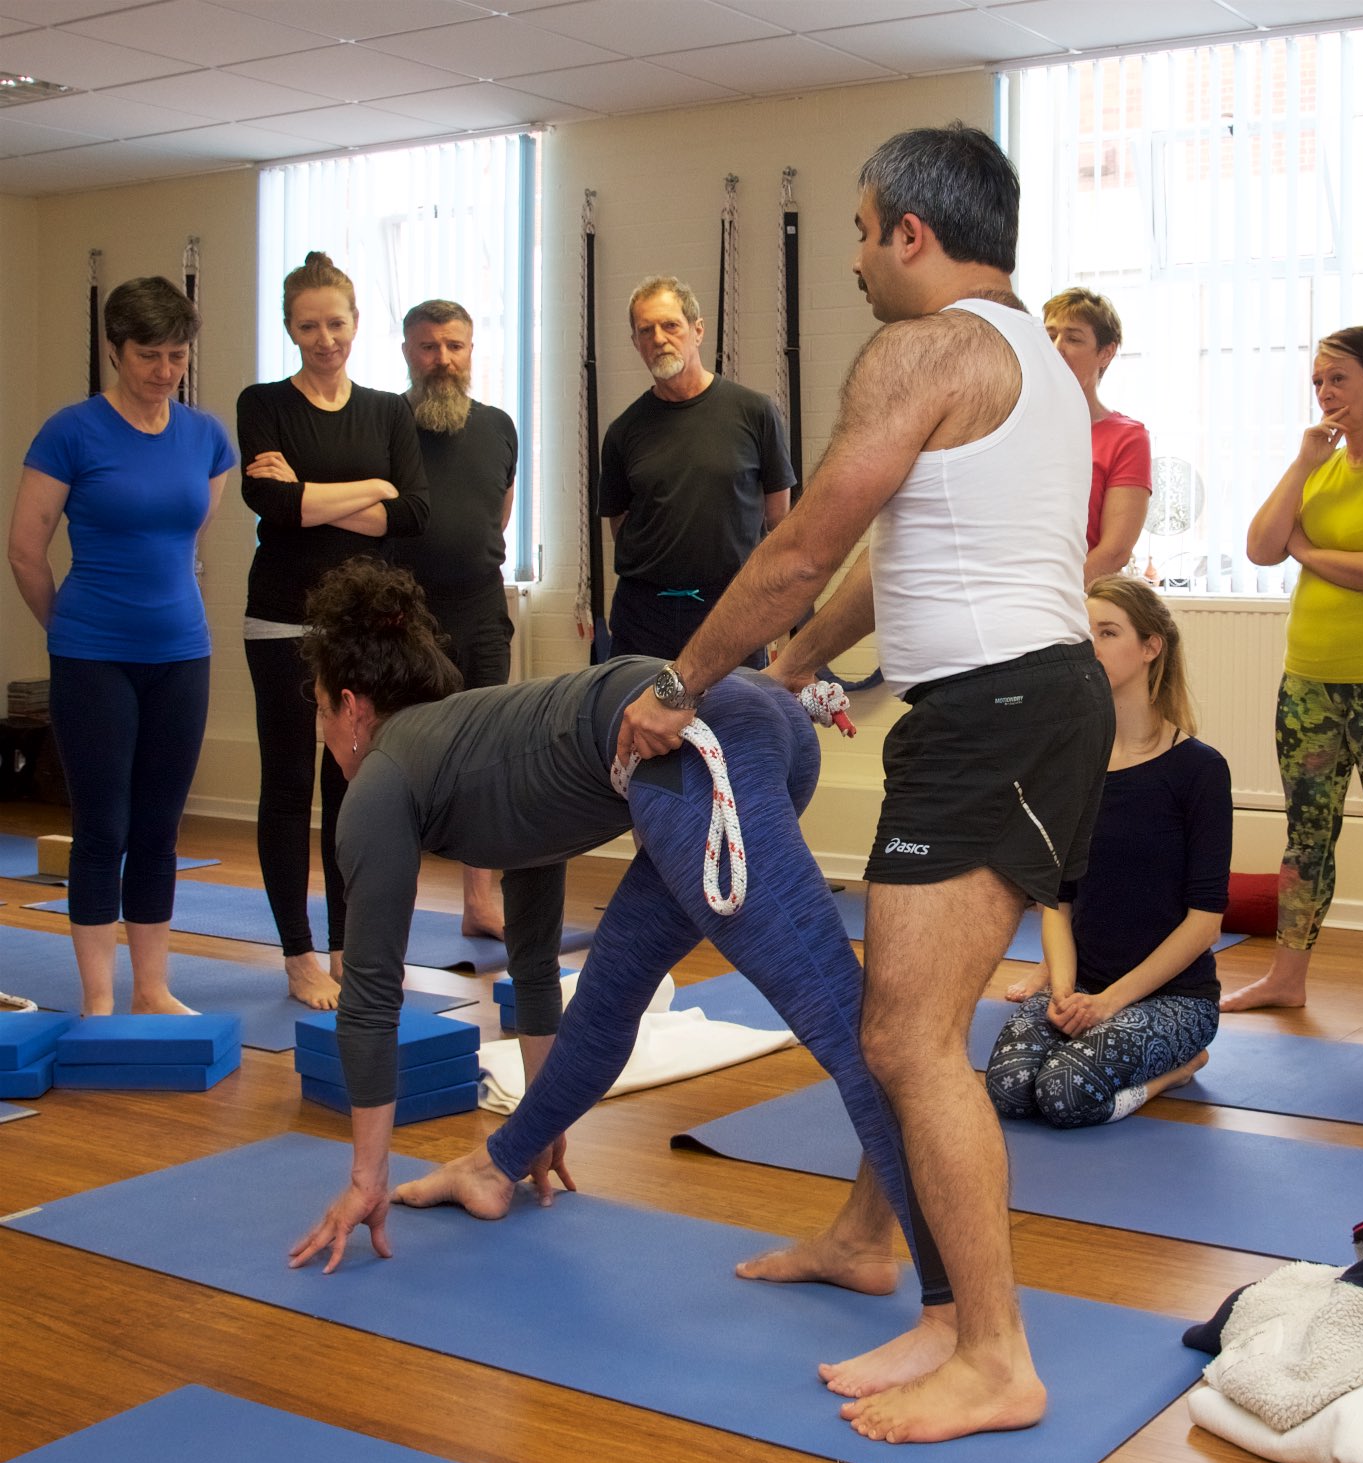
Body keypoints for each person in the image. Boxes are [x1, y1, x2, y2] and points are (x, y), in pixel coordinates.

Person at [616, 123, 1114, 1444]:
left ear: (912, 233)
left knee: (904, 1036)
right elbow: (887, 564)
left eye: (858, 227)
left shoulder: (921, 348)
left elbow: (795, 545)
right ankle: (870, 1243)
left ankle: (994, 1350)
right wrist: (786, 665)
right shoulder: (1039, 366)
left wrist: (681, 684)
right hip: (1023, 708)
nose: (851, 256)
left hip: (997, 717)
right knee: (915, 1021)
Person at [288, 561, 940, 1360]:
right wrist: (536, 1127)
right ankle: (495, 1166)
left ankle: (956, 1318)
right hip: (743, 729)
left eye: (320, 711)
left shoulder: (384, 782)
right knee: (609, 993)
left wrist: (365, 1178)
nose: (324, 732)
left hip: (703, 748)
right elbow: (532, 962)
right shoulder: (475, 743)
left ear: (352, 709)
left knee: (854, 1031)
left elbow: (370, 996)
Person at [7, 276, 235, 1014]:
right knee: (102, 826)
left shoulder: (207, 438)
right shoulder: (70, 432)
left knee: (159, 827)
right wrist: (69, 630)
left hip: (181, 652)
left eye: (177, 355)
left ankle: (153, 986)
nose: (164, 369)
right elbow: (24, 550)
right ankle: (99, 996)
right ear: (114, 349)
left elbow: (189, 540)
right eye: (148, 354)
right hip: (92, 653)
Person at [1222, 326, 1363, 1051]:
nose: (1325, 393)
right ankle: (1287, 978)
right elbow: (1261, 548)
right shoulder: (1316, 466)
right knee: (1306, 837)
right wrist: (1300, 464)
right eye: (1318, 381)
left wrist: (1311, 552)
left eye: (1340, 379)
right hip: (1309, 683)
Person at [237, 252, 428, 1010]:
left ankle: (349, 943)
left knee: (354, 789)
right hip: (281, 620)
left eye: (336, 323)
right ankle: (297, 954)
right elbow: (271, 508)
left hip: (361, 626)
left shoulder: (387, 411)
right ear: (290, 328)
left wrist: (312, 492)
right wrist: (371, 489)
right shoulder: (264, 403)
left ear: (357, 322)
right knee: (288, 786)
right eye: (309, 326)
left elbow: (413, 512)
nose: (325, 338)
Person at [986, 576, 1230, 1126]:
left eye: (1108, 631)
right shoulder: (1070, 766)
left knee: (1064, 1097)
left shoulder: (1200, 771)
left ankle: (1181, 1065)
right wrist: (1067, 990)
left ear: (1150, 648)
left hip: (1174, 1000)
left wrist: (1109, 1002)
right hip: (1085, 987)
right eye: (1083, 632)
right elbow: (1057, 901)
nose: (1090, 645)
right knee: (1007, 1090)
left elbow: (1205, 923)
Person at [391, 298, 518, 940]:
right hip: (403, 615)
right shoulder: (384, 424)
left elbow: (495, 514)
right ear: (408, 351)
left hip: (481, 611)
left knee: (487, 755)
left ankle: (478, 902)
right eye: (428, 347)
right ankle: (392, 907)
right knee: (401, 757)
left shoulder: (499, 426)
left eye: (455, 346)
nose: (442, 360)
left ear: (472, 351)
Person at [597, 276, 794, 668]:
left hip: (729, 610)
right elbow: (620, 525)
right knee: (638, 728)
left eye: (671, 325)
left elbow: (779, 520)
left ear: (697, 330)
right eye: (645, 330)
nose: (658, 338)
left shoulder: (755, 413)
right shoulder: (623, 431)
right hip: (643, 618)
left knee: (735, 725)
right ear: (636, 343)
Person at [1042, 287, 1151, 586]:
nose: (1057, 347)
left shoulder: (1127, 437)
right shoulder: (1015, 424)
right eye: (1049, 336)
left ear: (1106, 352)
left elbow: (1115, 552)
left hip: (1075, 603)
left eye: (1074, 338)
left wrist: (1055, 596)